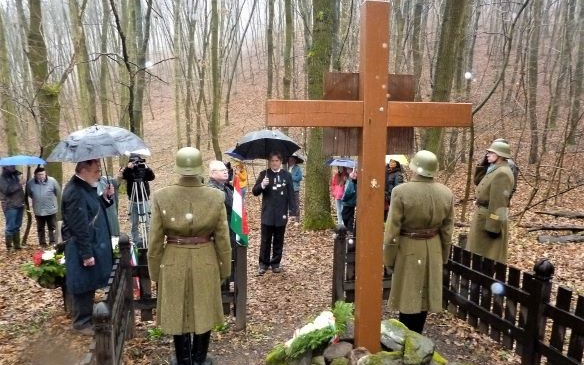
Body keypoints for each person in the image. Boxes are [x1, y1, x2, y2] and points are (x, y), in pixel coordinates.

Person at [148, 147, 231, 365]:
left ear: (178, 168)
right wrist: (224, 269)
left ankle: (183, 360)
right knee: (204, 308)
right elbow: (223, 238)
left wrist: (155, 271)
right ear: (199, 168)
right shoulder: (216, 197)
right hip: (206, 259)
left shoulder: (161, 197)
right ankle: (200, 359)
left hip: (172, 259)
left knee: (177, 309)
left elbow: (155, 240)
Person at [383, 150, 454, 334]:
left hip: (408, 248)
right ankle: (416, 339)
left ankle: (406, 342)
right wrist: (443, 256)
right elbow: (447, 230)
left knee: (408, 297)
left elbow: (392, 230)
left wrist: (389, 259)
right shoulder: (446, 193)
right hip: (434, 248)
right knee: (422, 299)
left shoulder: (400, 192)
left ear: (414, 168)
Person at [61, 159, 115, 336]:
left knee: (89, 281)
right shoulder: (74, 192)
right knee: (83, 283)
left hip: (91, 243)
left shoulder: (85, 187)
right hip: (81, 246)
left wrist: (105, 197)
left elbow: (92, 208)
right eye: (95, 171)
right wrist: (86, 254)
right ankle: (81, 322)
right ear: (83, 170)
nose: (99, 175)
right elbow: (78, 226)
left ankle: (87, 317)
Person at [468, 140, 515, 263]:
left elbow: (498, 203)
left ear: (499, 155)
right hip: (483, 216)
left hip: (489, 219)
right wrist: (483, 165)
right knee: (478, 256)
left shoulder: (502, 173)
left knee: (486, 257)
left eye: (490, 153)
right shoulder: (495, 168)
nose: (487, 154)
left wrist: (493, 227)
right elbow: (479, 181)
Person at [252, 151, 296, 275]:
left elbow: (291, 195)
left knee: (279, 240)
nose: (274, 163)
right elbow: (254, 192)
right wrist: (262, 185)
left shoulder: (286, 175)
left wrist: (293, 212)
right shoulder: (264, 174)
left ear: (280, 162)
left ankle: (275, 263)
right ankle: (263, 264)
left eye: (277, 161)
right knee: (265, 240)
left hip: (281, 213)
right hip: (267, 214)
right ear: (269, 162)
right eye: (272, 161)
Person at [207, 160, 237, 281]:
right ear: (213, 173)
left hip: (230, 229)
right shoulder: (210, 191)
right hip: (218, 233)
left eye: (226, 170)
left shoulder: (227, 188)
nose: (226, 172)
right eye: (222, 170)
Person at [122, 153, 155, 247]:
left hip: (144, 200)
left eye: (138, 162)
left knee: (148, 224)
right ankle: (136, 243)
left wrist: (147, 168)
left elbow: (152, 177)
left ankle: (149, 243)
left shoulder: (143, 169)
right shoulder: (128, 171)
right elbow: (124, 176)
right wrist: (128, 168)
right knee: (134, 224)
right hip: (133, 201)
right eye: (134, 162)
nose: (136, 164)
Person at [25, 167, 61, 247]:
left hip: (51, 209)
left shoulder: (52, 181)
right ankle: (42, 243)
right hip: (38, 210)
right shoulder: (30, 183)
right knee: (40, 228)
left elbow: (57, 192)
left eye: (43, 174)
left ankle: (52, 242)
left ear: (45, 174)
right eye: (39, 174)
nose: (41, 176)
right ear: (35, 175)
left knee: (52, 227)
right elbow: (30, 194)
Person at [0, 165, 25, 251]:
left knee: (17, 225)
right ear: (5, 168)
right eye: (11, 167)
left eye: (14, 166)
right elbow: (7, 190)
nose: (14, 167)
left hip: (19, 204)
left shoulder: (15, 176)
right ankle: (9, 247)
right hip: (9, 205)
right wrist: (19, 184)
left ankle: (17, 245)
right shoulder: (2, 178)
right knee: (10, 226)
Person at [341, 169, 357, 234]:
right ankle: (349, 230)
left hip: (348, 202)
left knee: (345, 216)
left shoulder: (351, 182)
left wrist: (344, 199)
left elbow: (348, 192)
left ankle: (348, 230)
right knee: (350, 216)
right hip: (352, 202)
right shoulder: (353, 181)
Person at [287, 155, 303, 222]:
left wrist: (290, 177)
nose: (290, 161)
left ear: (294, 161)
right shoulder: (287, 168)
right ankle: (291, 216)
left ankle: (297, 219)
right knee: (289, 203)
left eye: (291, 160)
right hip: (288, 188)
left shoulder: (297, 168)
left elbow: (299, 178)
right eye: (289, 160)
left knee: (296, 204)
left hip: (295, 189)